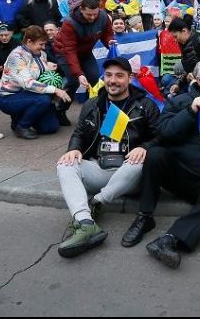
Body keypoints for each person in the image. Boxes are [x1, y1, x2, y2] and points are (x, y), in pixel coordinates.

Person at [121, 59, 200, 269]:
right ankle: (144, 217)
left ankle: (169, 240)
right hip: (177, 172)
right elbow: (164, 132)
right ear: (199, 80)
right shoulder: (181, 101)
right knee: (155, 154)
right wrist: (191, 112)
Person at [56, 56, 160, 258]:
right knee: (65, 165)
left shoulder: (146, 105)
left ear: (130, 78)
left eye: (119, 76)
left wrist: (145, 147)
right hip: (101, 168)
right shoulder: (93, 104)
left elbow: (161, 136)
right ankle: (86, 223)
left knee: (140, 162)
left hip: (132, 174)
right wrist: (74, 148)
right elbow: (79, 132)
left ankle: (97, 203)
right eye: (109, 75)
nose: (113, 80)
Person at [0, 25, 70, 139]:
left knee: (50, 128)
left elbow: (39, 72)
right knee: (43, 100)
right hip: (8, 97)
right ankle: (21, 126)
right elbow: (28, 83)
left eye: (44, 44)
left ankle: (24, 116)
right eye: (41, 44)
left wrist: (49, 68)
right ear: (29, 41)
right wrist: (56, 90)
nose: (44, 47)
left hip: (29, 94)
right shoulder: (17, 56)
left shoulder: (41, 54)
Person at [53, 0, 114, 120]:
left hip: (85, 52)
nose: (92, 17)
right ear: (81, 9)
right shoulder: (69, 22)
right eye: (88, 15)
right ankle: (60, 109)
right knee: (74, 81)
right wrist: (79, 73)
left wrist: (109, 43)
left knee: (95, 79)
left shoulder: (103, 17)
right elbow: (69, 50)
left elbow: (107, 34)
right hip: (64, 52)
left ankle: (99, 111)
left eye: (94, 14)